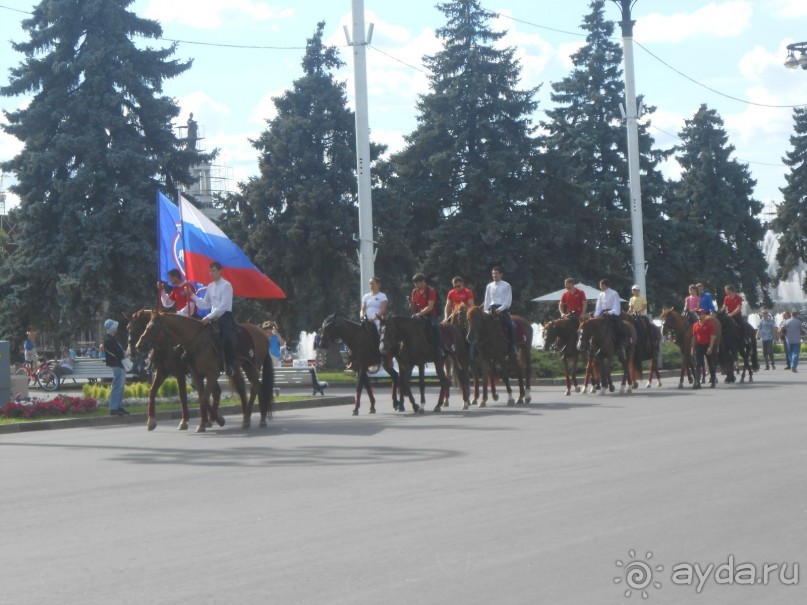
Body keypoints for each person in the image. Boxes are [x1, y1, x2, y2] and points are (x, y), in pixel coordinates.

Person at [190, 261, 237, 376]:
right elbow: (205, 304)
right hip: (212, 318)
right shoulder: (210, 286)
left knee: (227, 338)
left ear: (220, 271)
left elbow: (223, 306)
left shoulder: (226, 285)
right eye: (210, 271)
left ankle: (230, 365)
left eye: (213, 271)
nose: (211, 273)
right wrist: (192, 295)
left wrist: (208, 317)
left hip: (224, 317)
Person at [483, 266, 516, 355]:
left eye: (496, 273)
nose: (494, 275)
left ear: (501, 274)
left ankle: (512, 346)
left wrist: (500, 310)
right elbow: (487, 301)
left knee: (511, 325)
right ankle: (476, 349)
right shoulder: (489, 286)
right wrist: (486, 311)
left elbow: (508, 301)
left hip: (502, 309)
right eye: (493, 273)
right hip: (491, 309)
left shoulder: (506, 285)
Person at [411, 272, 443, 359]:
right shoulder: (414, 292)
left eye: (417, 283)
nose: (416, 285)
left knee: (435, 327)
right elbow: (414, 306)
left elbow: (430, 306)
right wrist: (411, 305)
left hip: (430, 314)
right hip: (419, 314)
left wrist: (419, 314)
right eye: (415, 283)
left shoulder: (430, 290)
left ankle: (440, 348)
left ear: (423, 282)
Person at [593, 279, 629, 352]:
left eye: (600, 285)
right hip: (602, 313)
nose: (600, 287)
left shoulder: (614, 293)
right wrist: (595, 315)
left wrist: (609, 312)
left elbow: (617, 309)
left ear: (604, 285)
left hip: (612, 313)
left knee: (619, 326)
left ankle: (621, 344)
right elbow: (598, 308)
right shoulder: (601, 294)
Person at [102, 319, 129, 416]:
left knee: (120, 387)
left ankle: (118, 406)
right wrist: (124, 354)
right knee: (117, 386)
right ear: (112, 328)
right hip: (116, 365)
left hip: (118, 365)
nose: (117, 328)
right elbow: (119, 354)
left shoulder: (110, 338)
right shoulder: (109, 340)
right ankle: (114, 408)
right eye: (115, 327)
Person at [690, 309, 717, 388]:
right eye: (698, 314)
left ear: (704, 315)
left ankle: (713, 380)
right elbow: (694, 337)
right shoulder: (695, 325)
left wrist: (710, 348)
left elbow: (713, 337)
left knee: (710, 364)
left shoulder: (709, 325)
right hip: (699, 346)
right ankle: (697, 382)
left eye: (700, 314)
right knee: (698, 364)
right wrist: (692, 348)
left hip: (707, 345)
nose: (699, 315)